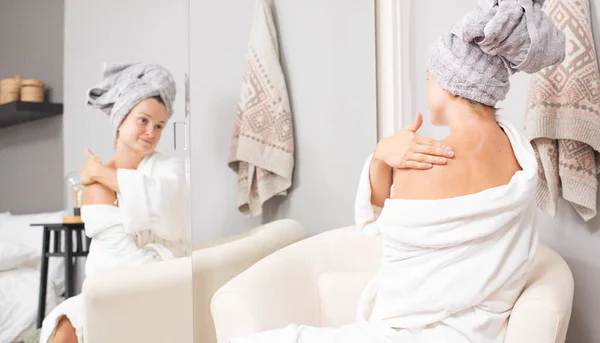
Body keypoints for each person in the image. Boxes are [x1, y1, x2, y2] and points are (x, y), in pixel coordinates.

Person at [231, 1, 566, 342]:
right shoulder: (518, 154)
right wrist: (381, 156)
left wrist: (384, 157)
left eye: (428, 78)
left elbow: (397, 274)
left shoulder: (423, 166)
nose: (426, 88)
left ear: (449, 86)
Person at [40, 63, 190, 343]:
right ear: (120, 120)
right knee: (64, 327)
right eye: (143, 120)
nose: (151, 132)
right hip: (112, 278)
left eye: (159, 125)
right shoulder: (97, 182)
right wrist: (101, 176)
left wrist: (100, 173)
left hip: (159, 279)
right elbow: (115, 255)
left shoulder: (168, 168)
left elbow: (174, 205)